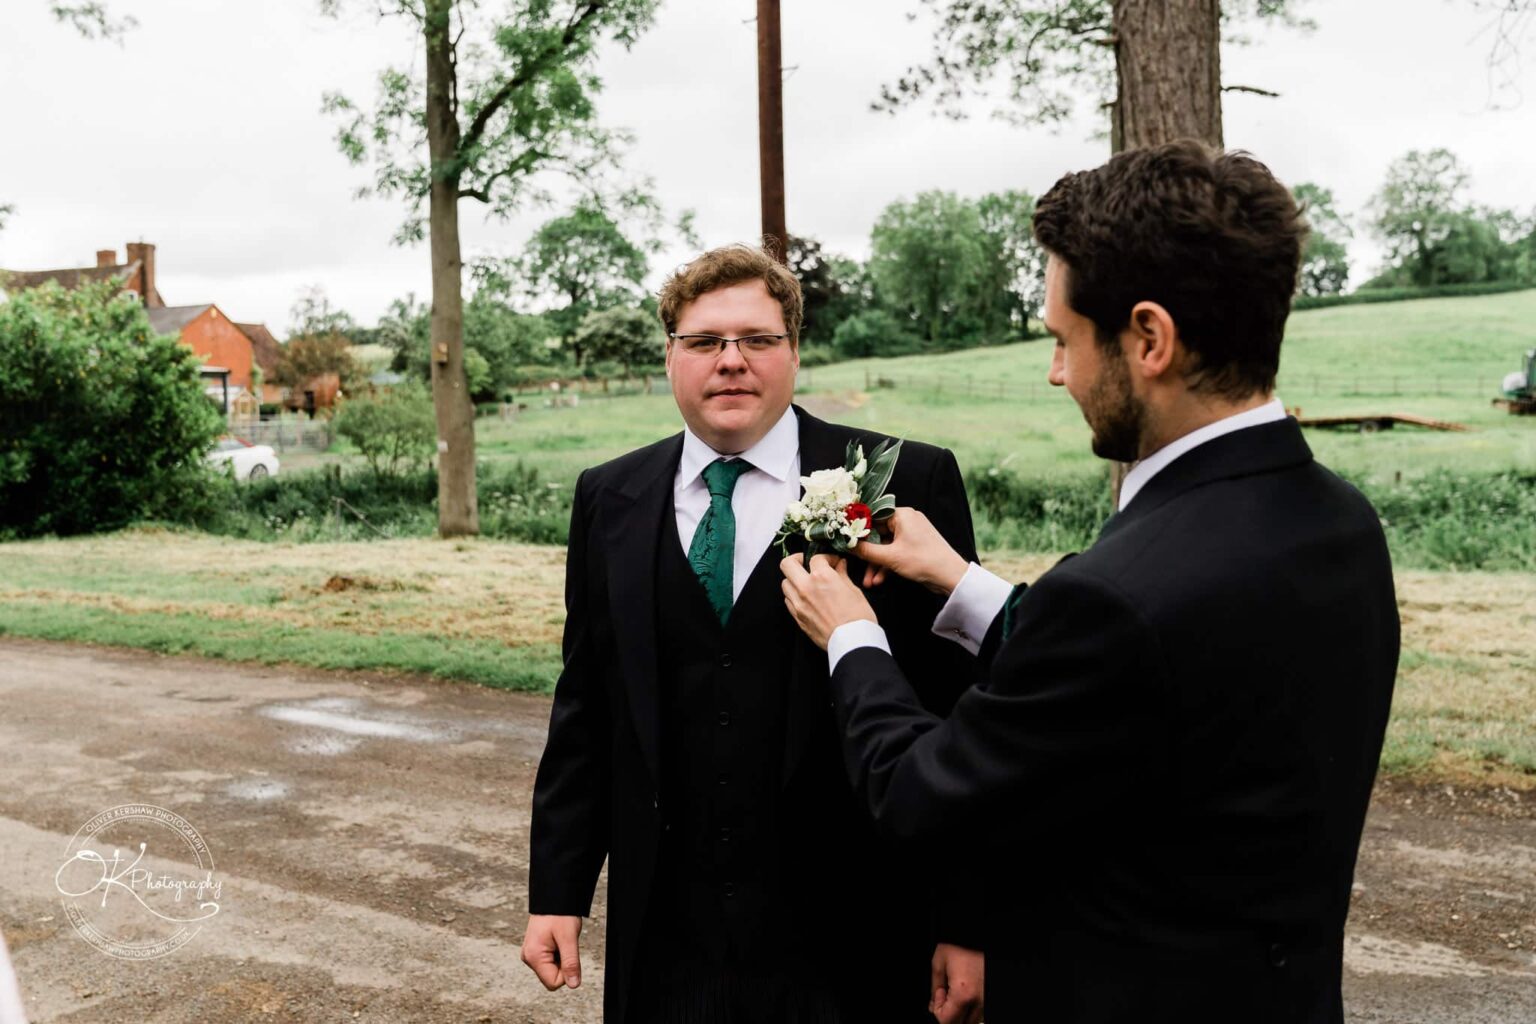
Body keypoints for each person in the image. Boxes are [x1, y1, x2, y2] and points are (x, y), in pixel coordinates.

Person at [779, 141, 1401, 1024]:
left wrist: (852, 636)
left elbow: (922, 796)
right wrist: (963, 583)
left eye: (1063, 340)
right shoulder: (1337, 521)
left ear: (1149, 338)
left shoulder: (1116, 599)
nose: (1056, 372)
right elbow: (1161, 676)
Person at [522, 245, 986, 1024]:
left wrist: (966, 923)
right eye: (704, 342)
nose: (730, 362)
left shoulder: (907, 480)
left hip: (855, 932)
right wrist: (558, 892)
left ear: (794, 352)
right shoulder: (609, 497)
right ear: (671, 356)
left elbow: (961, 718)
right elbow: (588, 714)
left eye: (757, 340)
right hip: (668, 935)